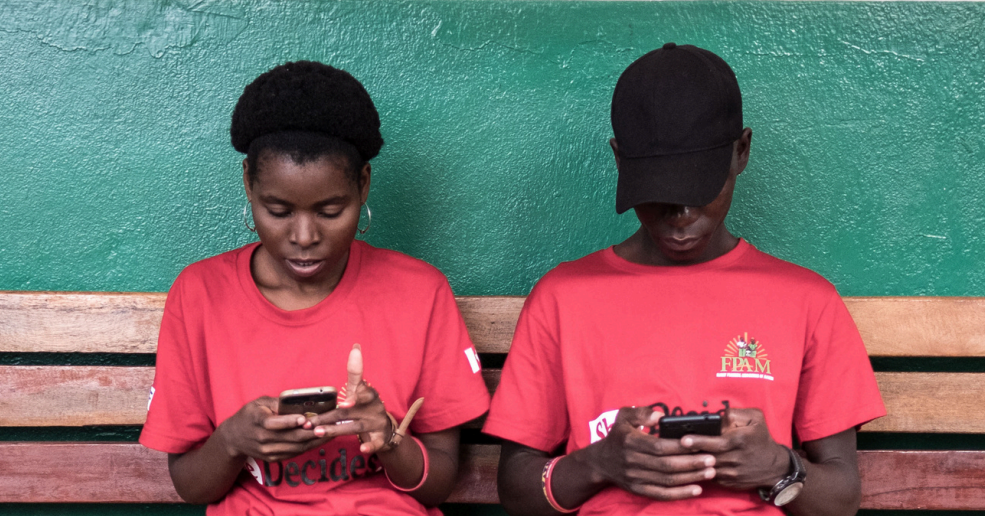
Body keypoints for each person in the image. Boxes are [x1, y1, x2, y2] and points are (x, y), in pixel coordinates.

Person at [483, 43, 886, 515]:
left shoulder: (806, 300)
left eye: (699, 186)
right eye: (658, 191)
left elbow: (841, 500)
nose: (681, 214)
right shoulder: (562, 297)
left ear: (742, 151)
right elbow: (515, 489)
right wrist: (597, 464)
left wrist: (778, 467)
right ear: (620, 160)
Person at [139, 61, 490, 515]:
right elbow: (191, 486)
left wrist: (386, 438)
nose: (304, 236)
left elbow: (437, 485)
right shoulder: (199, 294)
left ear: (363, 185)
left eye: (329, 210)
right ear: (248, 183)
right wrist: (231, 441)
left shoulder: (420, 293)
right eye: (279, 210)